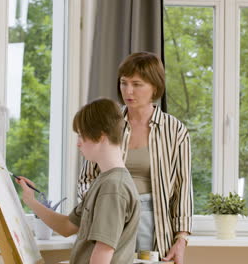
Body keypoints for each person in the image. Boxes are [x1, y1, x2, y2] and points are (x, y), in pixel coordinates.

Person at [78, 52, 193, 264]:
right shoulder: (108, 124)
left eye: (137, 84)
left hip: (154, 221)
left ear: (155, 88)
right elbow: (86, 178)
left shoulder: (175, 130)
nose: (128, 91)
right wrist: (98, 209)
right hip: (110, 217)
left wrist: (182, 238)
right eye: (124, 83)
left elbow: (182, 188)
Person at [17, 98, 141, 264]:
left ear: (101, 136)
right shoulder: (104, 181)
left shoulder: (113, 187)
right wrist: (31, 201)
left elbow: (102, 256)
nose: (78, 143)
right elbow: (67, 226)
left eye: (82, 135)